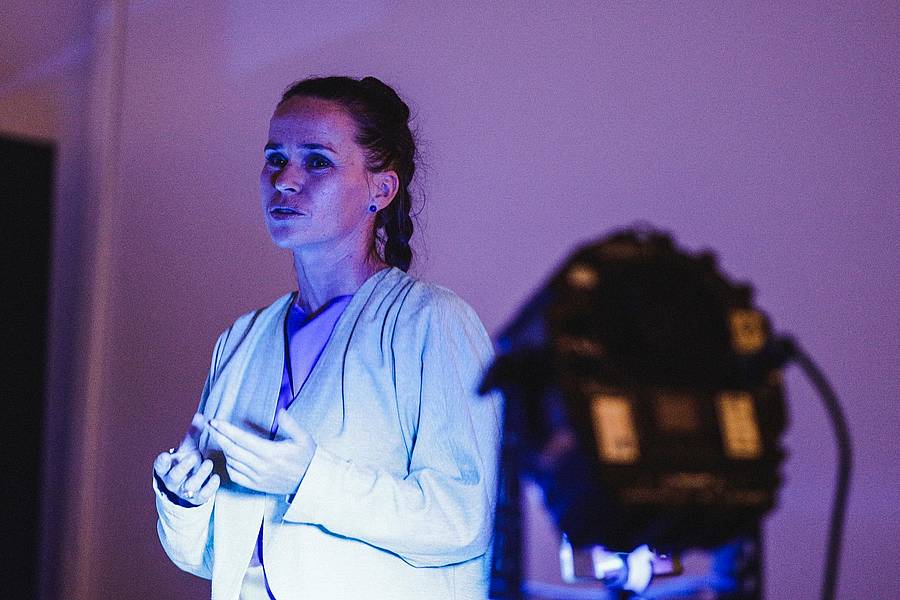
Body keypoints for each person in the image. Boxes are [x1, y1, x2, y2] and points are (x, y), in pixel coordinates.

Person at [151, 76, 502, 600]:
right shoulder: (242, 340)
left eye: (317, 161)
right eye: (275, 159)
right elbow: (216, 558)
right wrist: (184, 505)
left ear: (381, 189)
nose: (285, 180)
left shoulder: (431, 323)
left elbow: (464, 519)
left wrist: (311, 478)